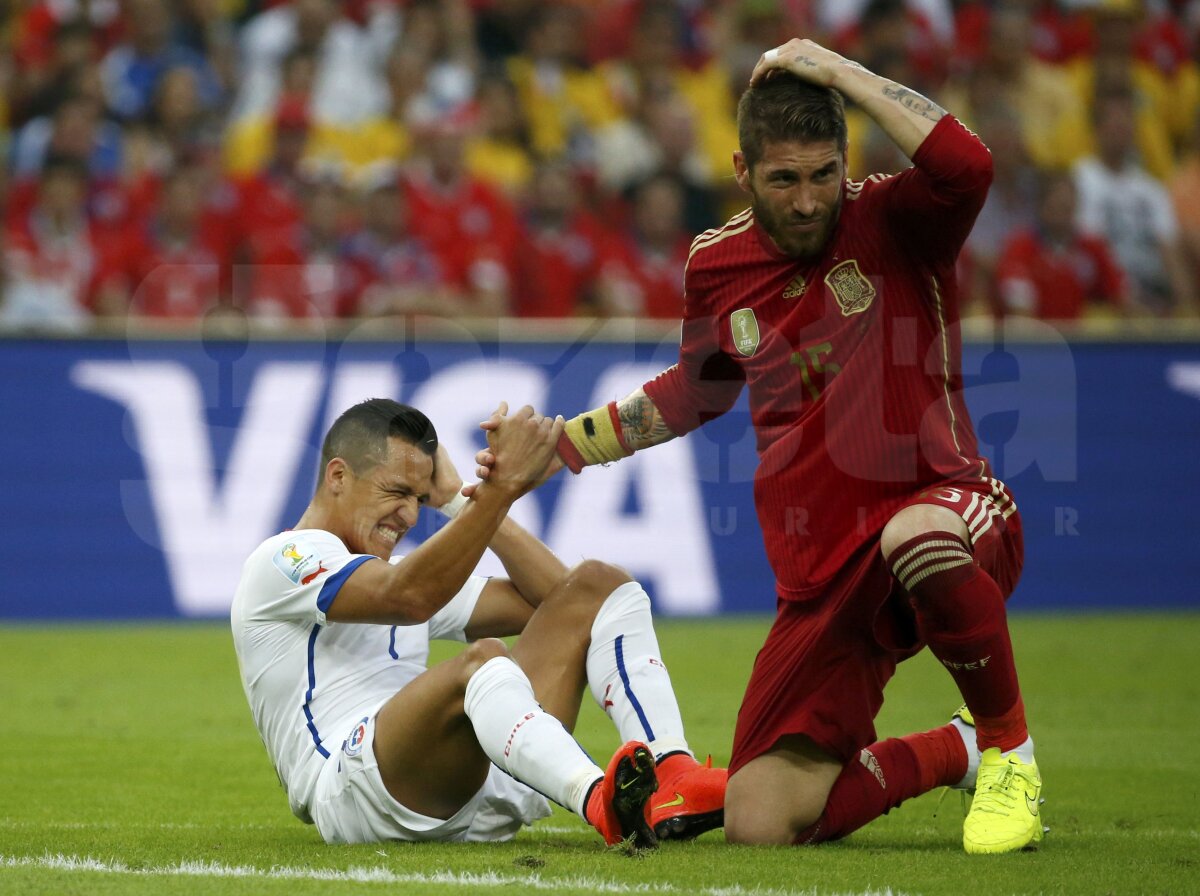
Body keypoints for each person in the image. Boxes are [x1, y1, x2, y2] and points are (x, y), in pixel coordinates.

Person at [525, 39, 1043, 855]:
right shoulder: (718, 266)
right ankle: (957, 750)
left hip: (947, 506)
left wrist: (844, 75)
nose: (808, 202)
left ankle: (1012, 752)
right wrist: (567, 445)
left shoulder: (894, 218)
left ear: (844, 163)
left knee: (918, 539)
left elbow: (969, 166)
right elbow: (697, 391)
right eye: (784, 180)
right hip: (825, 571)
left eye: (822, 175)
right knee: (762, 823)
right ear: (743, 171)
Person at [230, 398, 726, 848]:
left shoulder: (396, 574)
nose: (407, 514)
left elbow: (567, 601)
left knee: (601, 584)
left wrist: (458, 498)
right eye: (396, 491)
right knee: (484, 658)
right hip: (355, 793)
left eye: (419, 500)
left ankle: (672, 774)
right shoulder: (284, 560)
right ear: (338, 476)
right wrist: (501, 489)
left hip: (478, 786)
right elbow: (408, 598)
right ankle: (597, 797)